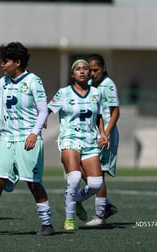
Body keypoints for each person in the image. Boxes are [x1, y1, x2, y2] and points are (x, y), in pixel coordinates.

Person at [0, 42, 54, 236]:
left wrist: (34, 133)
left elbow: (43, 110)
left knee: (33, 182)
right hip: (7, 139)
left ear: (17, 62)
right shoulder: (4, 81)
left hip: (27, 138)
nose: (2, 64)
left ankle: (47, 224)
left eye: (5, 61)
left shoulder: (34, 81)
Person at [47, 58, 108, 231]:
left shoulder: (96, 93)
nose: (82, 71)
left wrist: (103, 134)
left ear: (90, 73)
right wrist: (41, 121)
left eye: (85, 69)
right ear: (72, 74)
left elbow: (100, 116)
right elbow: (48, 109)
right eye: (78, 69)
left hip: (90, 141)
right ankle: (69, 220)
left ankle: (78, 200)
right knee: (74, 178)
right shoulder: (64, 93)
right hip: (69, 140)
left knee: (96, 184)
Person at [84, 53, 119, 226]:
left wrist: (106, 133)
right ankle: (106, 205)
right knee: (87, 170)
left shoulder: (108, 85)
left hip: (106, 135)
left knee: (98, 174)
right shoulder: (89, 85)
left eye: (95, 70)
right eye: (89, 70)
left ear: (103, 69)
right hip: (92, 134)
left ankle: (101, 215)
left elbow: (115, 112)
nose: (91, 73)